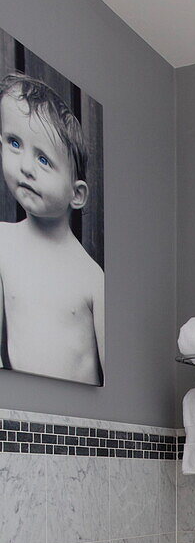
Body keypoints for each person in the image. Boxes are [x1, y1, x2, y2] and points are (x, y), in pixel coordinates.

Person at [0, 72, 104, 385]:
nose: (26, 167)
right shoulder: (3, 241)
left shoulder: (91, 278)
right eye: (15, 143)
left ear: (77, 194)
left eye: (44, 160)